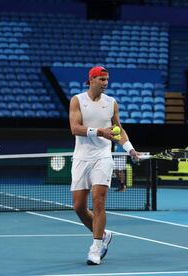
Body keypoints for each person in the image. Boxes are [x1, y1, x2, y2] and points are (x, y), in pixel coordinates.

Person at [69, 66, 139, 265]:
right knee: (79, 207)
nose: (105, 83)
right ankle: (104, 234)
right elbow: (75, 128)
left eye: (107, 79)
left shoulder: (111, 103)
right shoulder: (77, 100)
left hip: (103, 156)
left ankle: (96, 247)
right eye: (101, 79)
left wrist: (130, 149)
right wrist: (100, 132)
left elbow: (118, 129)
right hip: (81, 157)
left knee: (98, 201)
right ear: (91, 80)